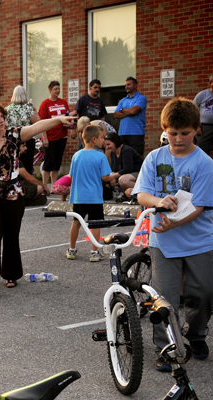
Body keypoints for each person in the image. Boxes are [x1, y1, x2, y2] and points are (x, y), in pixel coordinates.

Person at [0, 103, 74, 299]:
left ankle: (11, 275)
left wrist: (59, 120)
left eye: (2, 116)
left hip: (12, 193)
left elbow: (38, 126)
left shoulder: (14, 136)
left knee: (11, 235)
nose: (1, 120)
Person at [132, 97, 213, 369]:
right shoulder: (154, 158)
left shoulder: (204, 163)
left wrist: (173, 223)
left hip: (200, 240)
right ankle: (166, 346)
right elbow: (142, 193)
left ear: (196, 130)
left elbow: (199, 206)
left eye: (184, 133)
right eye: (172, 133)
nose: (178, 139)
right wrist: (157, 202)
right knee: (163, 296)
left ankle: (196, 334)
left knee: (201, 294)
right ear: (164, 130)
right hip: (162, 240)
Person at [65, 125, 118, 262]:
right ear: (94, 139)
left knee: (76, 222)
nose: (103, 140)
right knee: (96, 224)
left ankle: (71, 249)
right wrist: (112, 177)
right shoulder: (100, 156)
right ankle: (94, 252)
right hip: (94, 196)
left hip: (78, 196)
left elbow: (71, 175)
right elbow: (105, 177)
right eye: (102, 137)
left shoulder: (76, 155)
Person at [38, 81, 72, 193]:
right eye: (55, 89)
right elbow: (42, 122)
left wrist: (69, 126)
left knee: (57, 164)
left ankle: (54, 186)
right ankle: (44, 186)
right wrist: (45, 138)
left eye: (59, 88)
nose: (57, 91)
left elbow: (68, 116)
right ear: (50, 90)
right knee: (48, 163)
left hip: (62, 136)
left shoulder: (63, 102)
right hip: (50, 137)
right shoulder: (45, 104)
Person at [5, 85, 40, 173]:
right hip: (27, 139)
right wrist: (35, 110)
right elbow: (38, 123)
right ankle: (26, 183)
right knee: (27, 166)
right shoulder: (28, 109)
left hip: (12, 139)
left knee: (13, 165)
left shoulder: (7, 109)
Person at [114, 76, 148, 157]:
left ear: (135, 85)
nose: (127, 87)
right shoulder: (123, 100)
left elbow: (134, 111)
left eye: (129, 84)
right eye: (126, 85)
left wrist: (122, 110)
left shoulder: (141, 98)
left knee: (137, 157)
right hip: (123, 133)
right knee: (124, 157)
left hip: (136, 133)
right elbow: (115, 115)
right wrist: (128, 111)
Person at [104, 133, 143, 200]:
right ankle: (126, 195)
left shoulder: (126, 150)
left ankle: (143, 191)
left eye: (108, 144)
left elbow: (127, 168)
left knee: (123, 180)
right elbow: (115, 169)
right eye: (106, 145)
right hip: (127, 174)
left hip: (138, 172)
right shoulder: (113, 152)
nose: (107, 147)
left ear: (115, 142)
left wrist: (113, 176)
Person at [193, 74, 213, 156]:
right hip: (204, 127)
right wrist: (196, 125)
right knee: (203, 150)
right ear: (211, 82)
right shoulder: (202, 95)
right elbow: (192, 110)